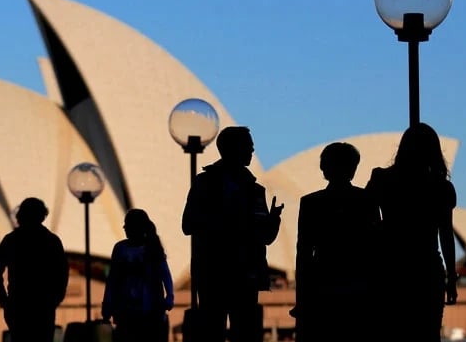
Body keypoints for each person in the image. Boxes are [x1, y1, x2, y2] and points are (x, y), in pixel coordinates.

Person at [182, 125, 284, 342]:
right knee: (212, 331)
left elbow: (265, 237)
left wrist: (273, 219)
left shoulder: (255, 190)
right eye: (248, 146)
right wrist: (228, 218)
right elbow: (188, 224)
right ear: (233, 149)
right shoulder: (204, 183)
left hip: (246, 275)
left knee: (246, 333)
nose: (252, 150)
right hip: (214, 274)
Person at [365, 122, 458, 342]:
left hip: (390, 267)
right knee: (427, 332)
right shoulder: (441, 188)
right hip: (427, 269)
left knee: (392, 330)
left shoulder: (382, 179)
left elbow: (364, 215)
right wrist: (451, 278)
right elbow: (446, 235)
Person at [291, 142, 382, 342]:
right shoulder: (367, 200)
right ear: (354, 168)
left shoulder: (311, 203)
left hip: (322, 288)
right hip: (360, 288)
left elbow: (303, 253)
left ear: (324, 167)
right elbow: (377, 249)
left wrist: (301, 299)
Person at [0, 197, 69, 342]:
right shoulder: (52, 240)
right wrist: (57, 297)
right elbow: (63, 272)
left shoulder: (11, 240)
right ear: (42, 216)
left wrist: (4, 301)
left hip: (18, 304)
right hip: (43, 304)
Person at [102, 208, 175, 342]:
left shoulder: (150, 248)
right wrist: (108, 303)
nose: (124, 227)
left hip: (148, 311)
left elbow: (165, 272)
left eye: (127, 224)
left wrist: (170, 295)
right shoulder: (121, 249)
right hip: (129, 311)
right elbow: (112, 279)